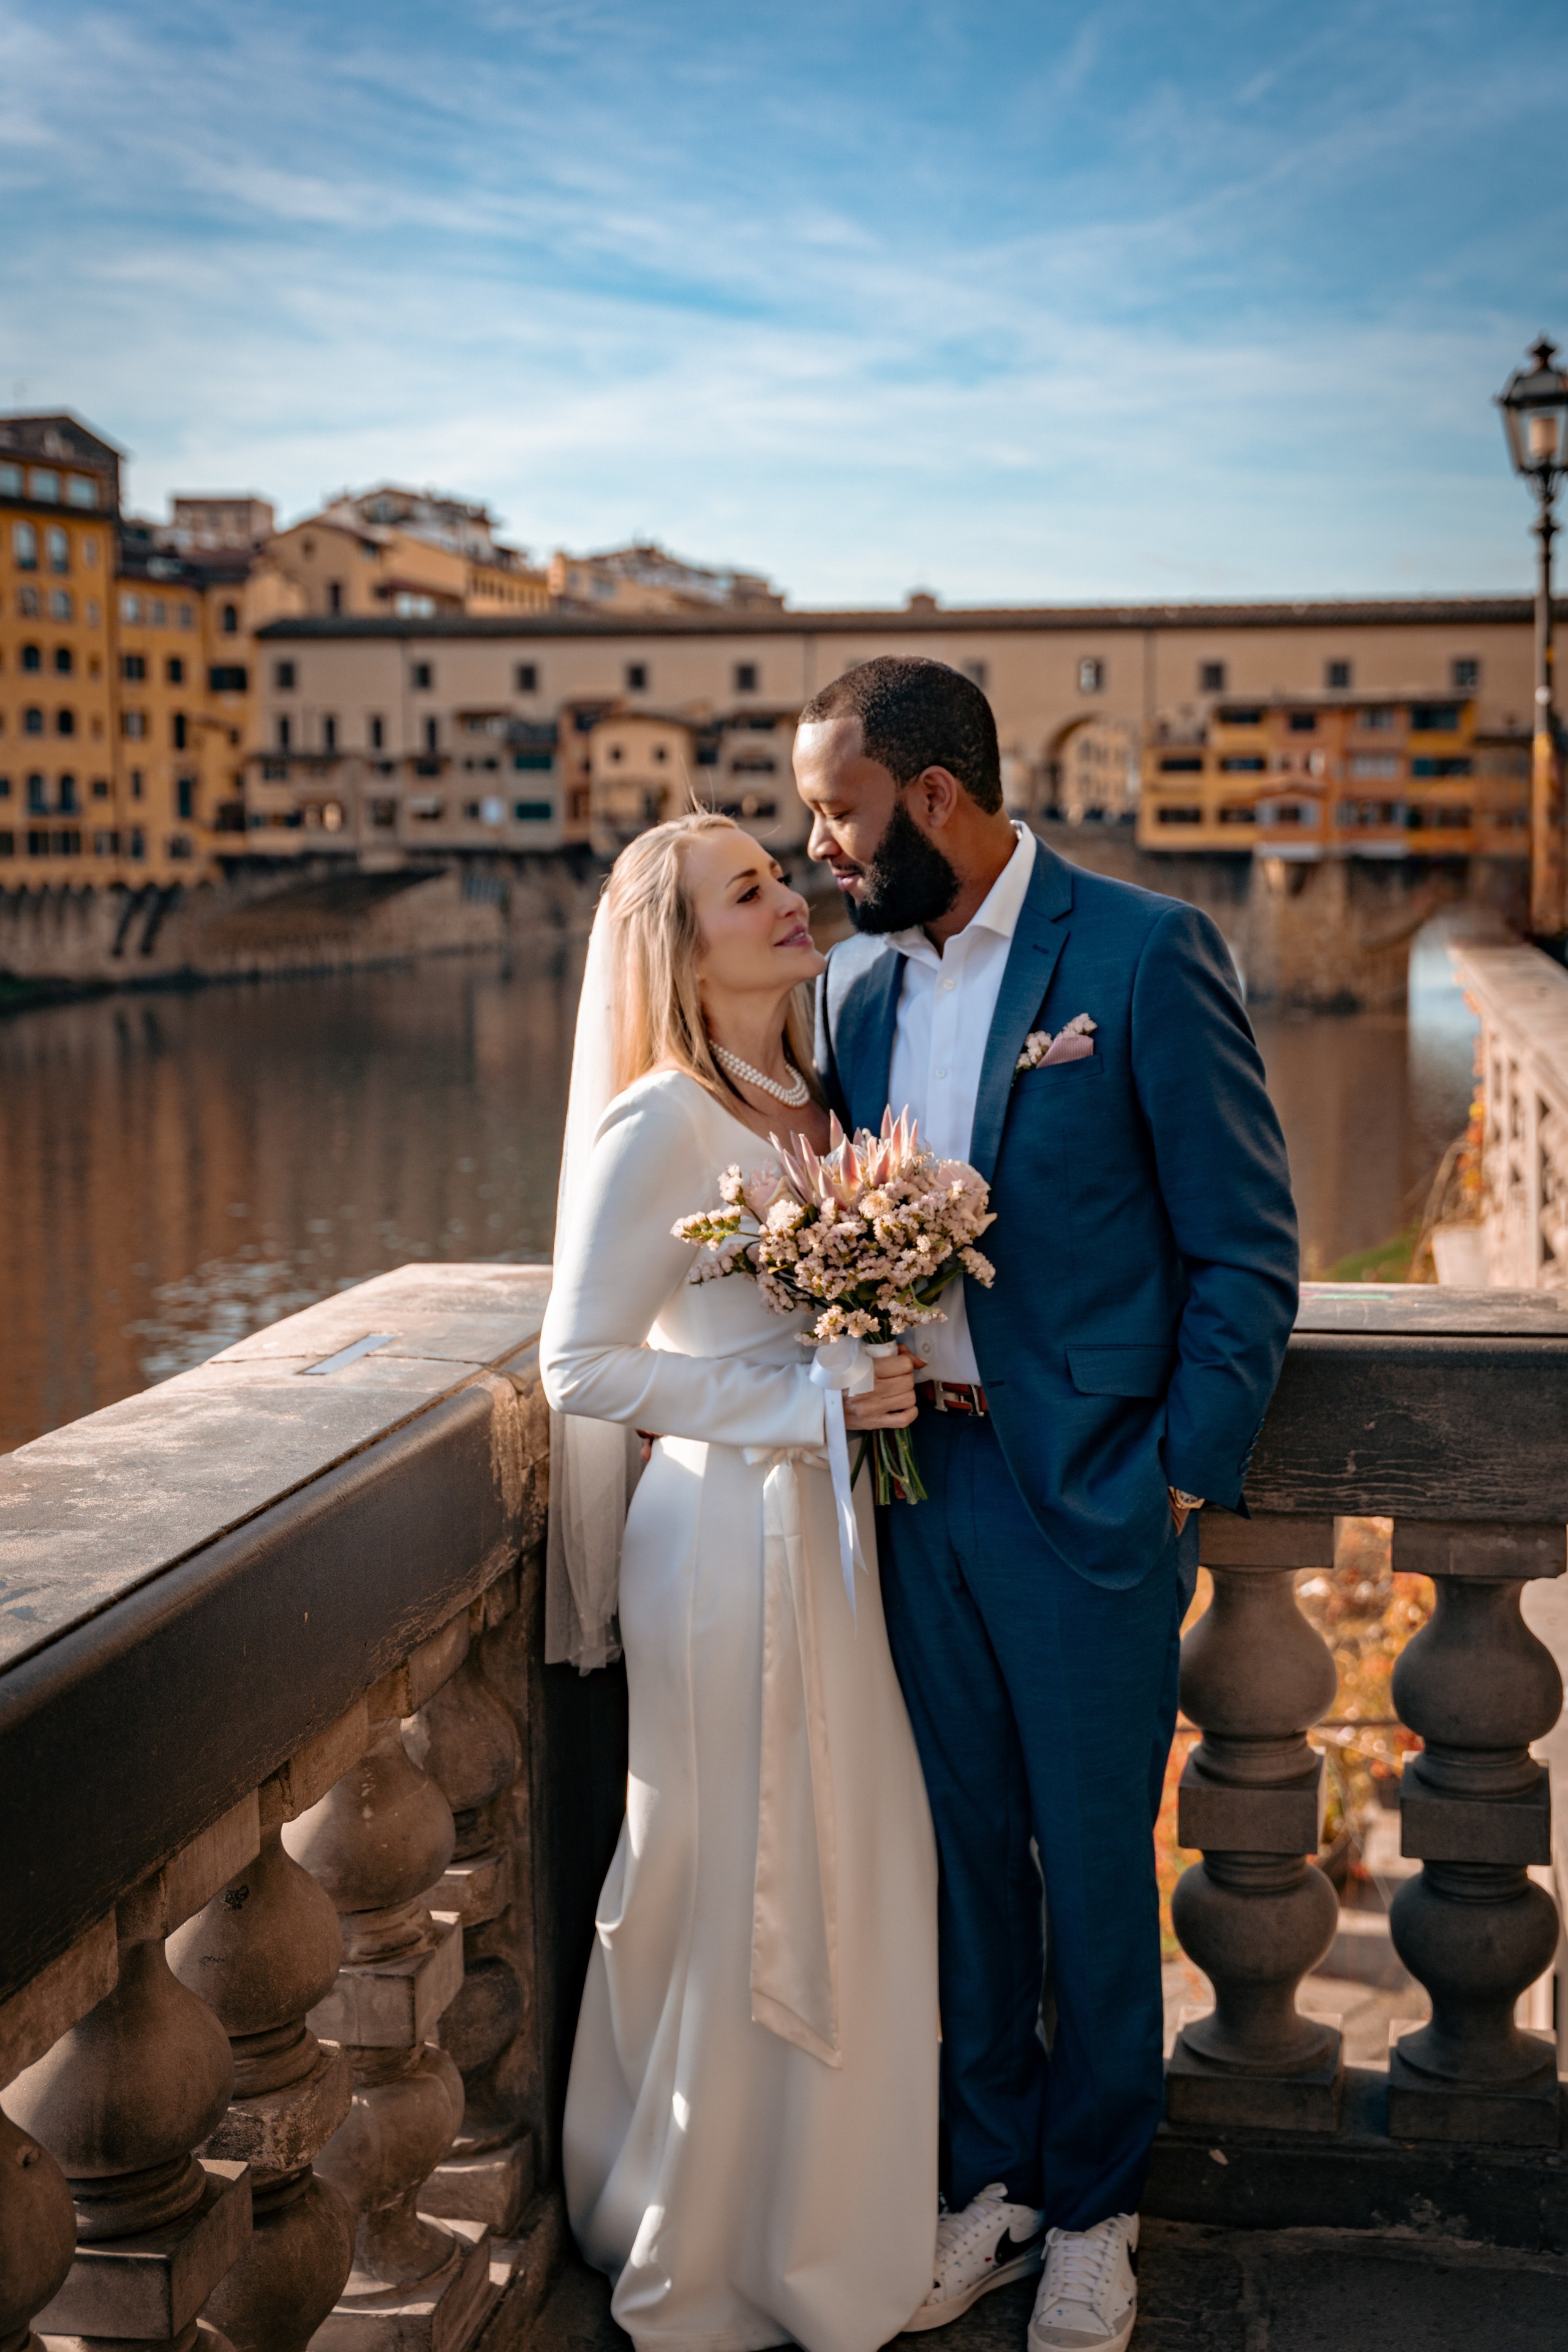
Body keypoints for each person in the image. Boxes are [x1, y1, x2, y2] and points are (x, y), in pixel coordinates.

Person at [799, 657, 1298, 2352]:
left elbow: (1247, 1248)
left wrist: (1173, 1475)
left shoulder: (1147, 954)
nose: (824, 849)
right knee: (957, 1868)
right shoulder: (858, 998)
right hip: (914, 1488)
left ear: (934, 797)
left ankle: (1098, 2211)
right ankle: (991, 2188)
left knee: (1094, 1872)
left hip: (1084, 1504)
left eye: (843, 812)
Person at [540, 812, 940, 2352]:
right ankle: (700, 2242)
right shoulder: (660, 1120)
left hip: (833, 1535)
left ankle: (823, 2224)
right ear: (679, 944)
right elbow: (582, 1364)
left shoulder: (815, 1101)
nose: (792, 899)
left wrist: (863, 1376)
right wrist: (803, 1402)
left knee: (849, 1850)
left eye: (781, 875)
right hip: (718, 1544)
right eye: (750, 891)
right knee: (731, 1867)